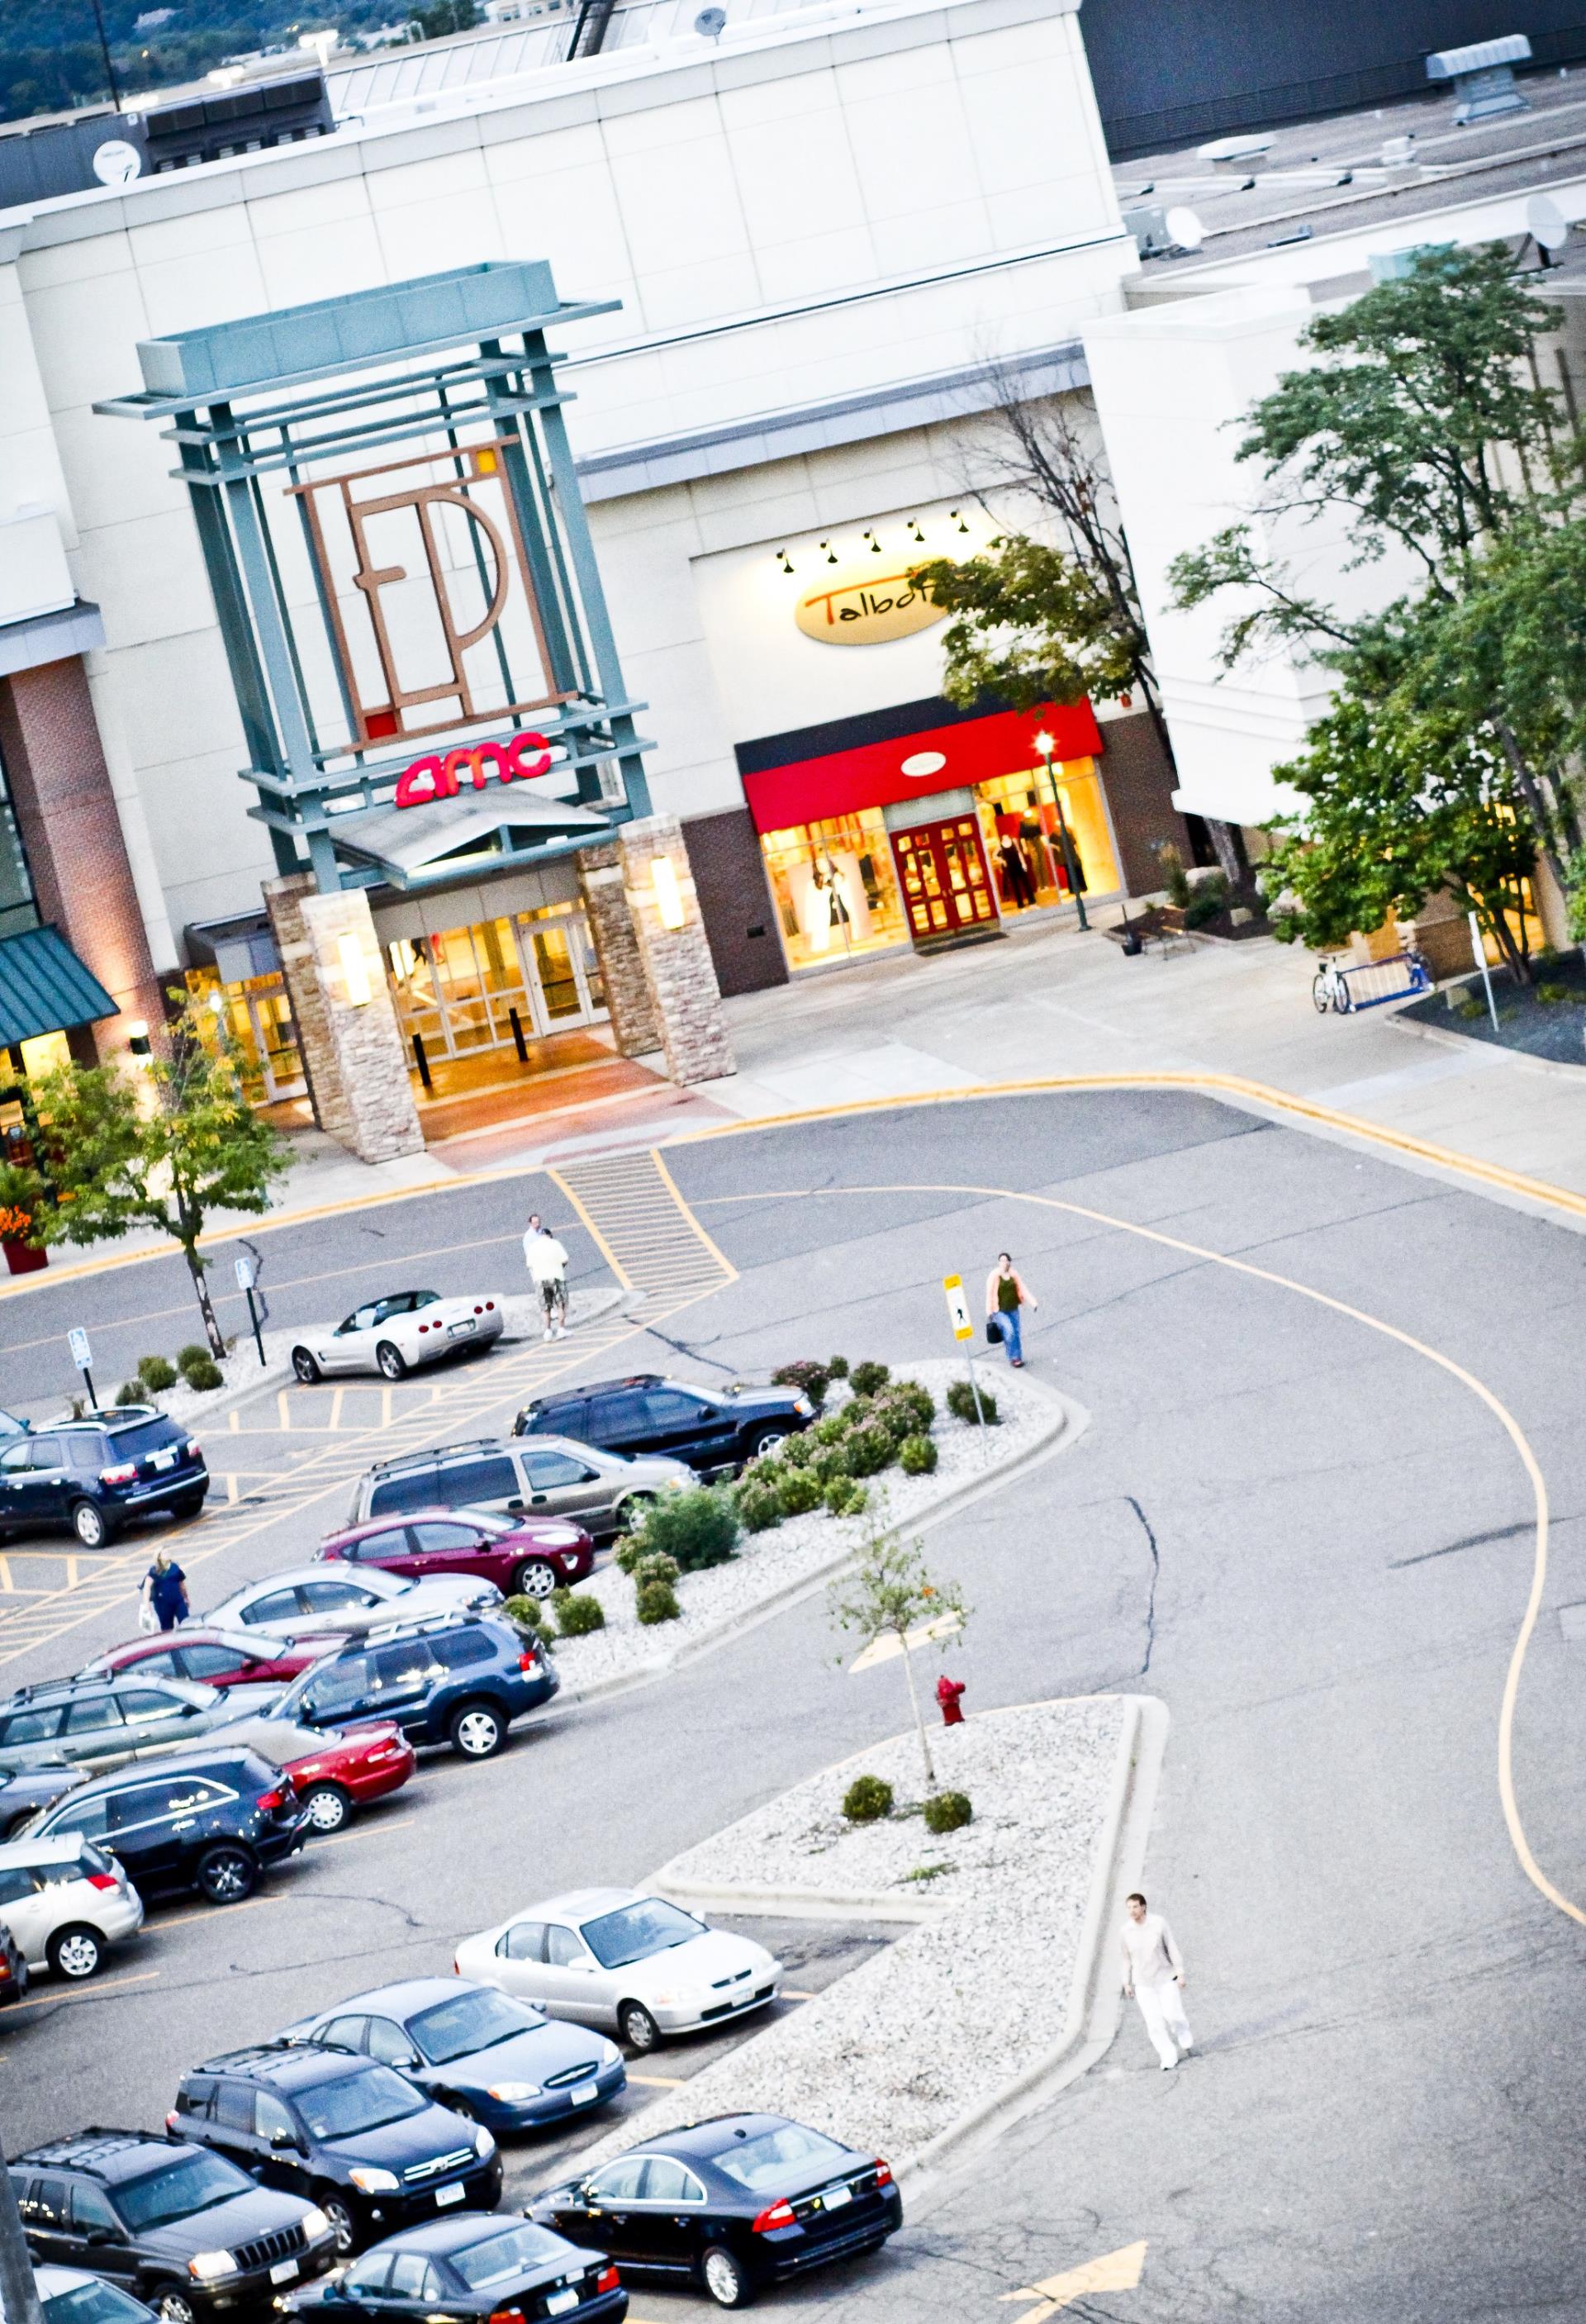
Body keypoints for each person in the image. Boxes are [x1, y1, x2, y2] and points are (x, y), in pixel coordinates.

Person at [1120, 1890, 1193, 2071]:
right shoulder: (1125, 1931)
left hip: (1165, 1977)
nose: (1132, 1911)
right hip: (1143, 1983)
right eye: (1129, 1908)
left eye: (1135, 1907)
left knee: (1172, 2015)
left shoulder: (1158, 1923)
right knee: (1154, 2024)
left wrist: (1180, 1972)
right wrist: (1126, 1982)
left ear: (1143, 1907)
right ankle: (1167, 2055)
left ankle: (1182, 2031)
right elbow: (1126, 1959)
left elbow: (1171, 1946)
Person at [985, 1252, 1037, 1366]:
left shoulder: (1014, 1274)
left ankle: (1017, 1357)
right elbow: (989, 1294)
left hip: (1013, 1309)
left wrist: (1033, 1303)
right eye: (1001, 1260)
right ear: (999, 1262)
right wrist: (989, 1312)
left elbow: (1022, 1288)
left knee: (1016, 1333)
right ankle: (1012, 1356)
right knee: (1009, 1331)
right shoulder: (994, 1276)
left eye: (1006, 1260)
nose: (1004, 1263)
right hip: (999, 1311)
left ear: (1009, 1262)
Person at [523, 1217, 570, 1340]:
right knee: (560, 1304)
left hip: (540, 1280)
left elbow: (529, 1265)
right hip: (556, 1277)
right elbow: (565, 1260)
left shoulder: (533, 1247)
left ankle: (548, 1331)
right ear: (550, 1236)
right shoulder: (555, 1244)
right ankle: (561, 1329)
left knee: (545, 1307)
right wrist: (560, 1267)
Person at [141, 1549, 188, 1634]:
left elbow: (181, 1584)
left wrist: (186, 1598)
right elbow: (147, 1587)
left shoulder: (175, 1567)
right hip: (163, 1605)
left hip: (178, 1601)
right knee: (167, 1629)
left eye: (168, 1552)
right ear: (159, 1557)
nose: (168, 1554)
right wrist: (146, 1605)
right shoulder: (154, 1571)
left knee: (186, 1623)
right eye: (165, 1553)